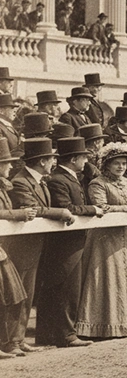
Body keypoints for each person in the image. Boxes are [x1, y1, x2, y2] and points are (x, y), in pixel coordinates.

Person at [4, 138, 75, 356]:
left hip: (34, 246)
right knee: (17, 296)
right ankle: (11, 341)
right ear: (42, 160)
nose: (54, 162)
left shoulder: (39, 181)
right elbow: (33, 208)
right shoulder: (21, 181)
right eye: (51, 158)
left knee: (28, 293)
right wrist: (59, 212)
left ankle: (19, 339)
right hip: (21, 247)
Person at [34, 136, 102, 348]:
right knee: (65, 288)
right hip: (64, 243)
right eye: (83, 157)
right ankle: (65, 335)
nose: (85, 162)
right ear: (73, 159)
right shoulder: (59, 180)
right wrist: (93, 209)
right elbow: (67, 207)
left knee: (66, 287)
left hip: (72, 241)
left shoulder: (69, 177)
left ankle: (54, 335)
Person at [76, 142, 127, 339]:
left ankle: (125, 323)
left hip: (122, 237)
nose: (121, 167)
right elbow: (101, 208)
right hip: (103, 238)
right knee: (106, 277)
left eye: (124, 163)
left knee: (123, 276)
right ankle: (100, 325)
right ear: (106, 165)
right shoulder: (98, 183)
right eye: (116, 163)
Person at [0, 137, 35, 359]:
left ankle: (10, 341)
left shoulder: (3, 187)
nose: (11, 167)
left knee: (10, 296)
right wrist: (20, 214)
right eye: (7, 163)